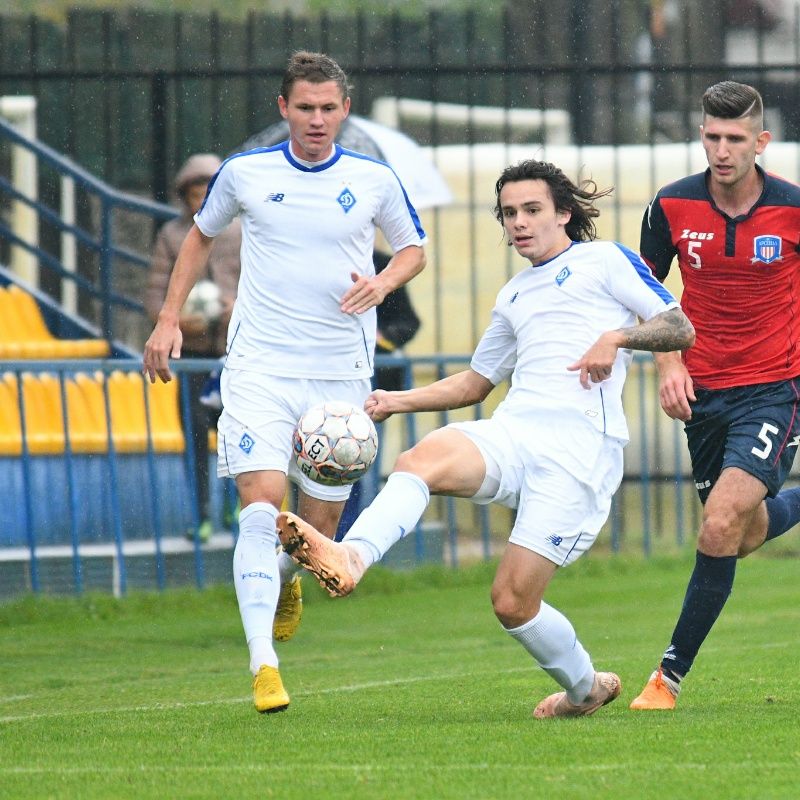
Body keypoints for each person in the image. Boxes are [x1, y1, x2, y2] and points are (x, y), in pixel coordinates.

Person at [275, 158, 695, 719]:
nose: (518, 223)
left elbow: (679, 326)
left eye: (531, 210)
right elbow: (476, 382)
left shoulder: (604, 260)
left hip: (579, 454)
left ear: (564, 213)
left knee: (513, 602)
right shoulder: (514, 294)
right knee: (419, 457)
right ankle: (352, 556)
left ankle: (585, 688)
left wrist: (615, 338)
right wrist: (397, 400)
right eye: (509, 214)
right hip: (516, 432)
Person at [142, 51, 426, 714]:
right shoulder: (245, 174)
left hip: (340, 376)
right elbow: (197, 239)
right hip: (260, 367)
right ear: (283, 109)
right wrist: (166, 320)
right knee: (260, 509)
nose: (318, 119)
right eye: (306, 107)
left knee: (312, 527)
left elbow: (413, 248)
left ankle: (288, 580)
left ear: (344, 110)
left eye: (329, 108)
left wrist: (383, 281)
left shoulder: (374, 180)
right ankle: (263, 668)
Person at [629, 80, 800, 710]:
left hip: (775, 390)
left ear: (761, 141)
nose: (721, 150)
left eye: (734, 139)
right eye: (711, 137)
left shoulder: (793, 208)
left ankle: (666, 678)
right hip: (703, 393)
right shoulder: (671, 206)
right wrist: (669, 362)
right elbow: (645, 296)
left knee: (719, 523)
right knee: (741, 532)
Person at [144, 153, 241, 542]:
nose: (203, 202)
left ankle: (242, 507)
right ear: (185, 198)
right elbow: (154, 292)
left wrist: (239, 308)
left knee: (240, 431)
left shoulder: (241, 231)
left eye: (209, 193)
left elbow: (263, 282)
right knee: (197, 436)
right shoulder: (172, 235)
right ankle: (202, 514)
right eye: (195, 195)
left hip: (237, 351)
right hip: (193, 356)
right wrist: (178, 320)